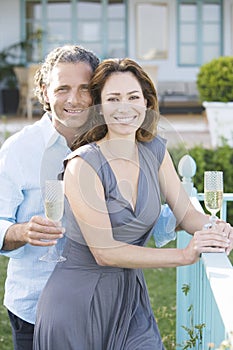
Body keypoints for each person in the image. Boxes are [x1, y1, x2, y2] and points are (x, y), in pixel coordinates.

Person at [33, 58, 233, 350]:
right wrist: (184, 255)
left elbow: (187, 212)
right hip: (77, 305)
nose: (124, 107)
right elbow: (104, 252)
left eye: (133, 97)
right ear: (99, 107)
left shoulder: (155, 151)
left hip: (131, 302)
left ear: (146, 102)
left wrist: (216, 227)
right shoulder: (83, 164)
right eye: (113, 99)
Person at [0, 44, 99, 350]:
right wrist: (22, 231)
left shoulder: (111, 148)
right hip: (35, 307)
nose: (74, 99)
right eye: (63, 88)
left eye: (85, 88)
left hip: (98, 308)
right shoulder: (18, 149)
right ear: (44, 92)